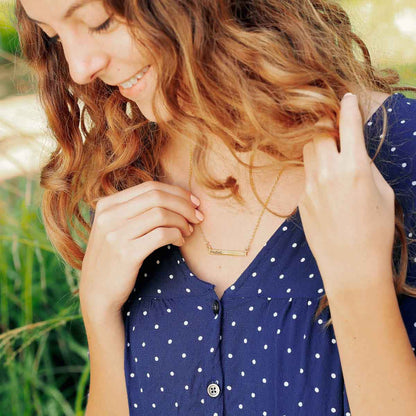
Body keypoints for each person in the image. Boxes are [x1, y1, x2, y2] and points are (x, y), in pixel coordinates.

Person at [16, 0, 416, 414]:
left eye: (100, 22)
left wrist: (359, 285)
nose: (79, 68)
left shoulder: (403, 152)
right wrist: (99, 314)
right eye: (54, 36)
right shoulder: (126, 174)